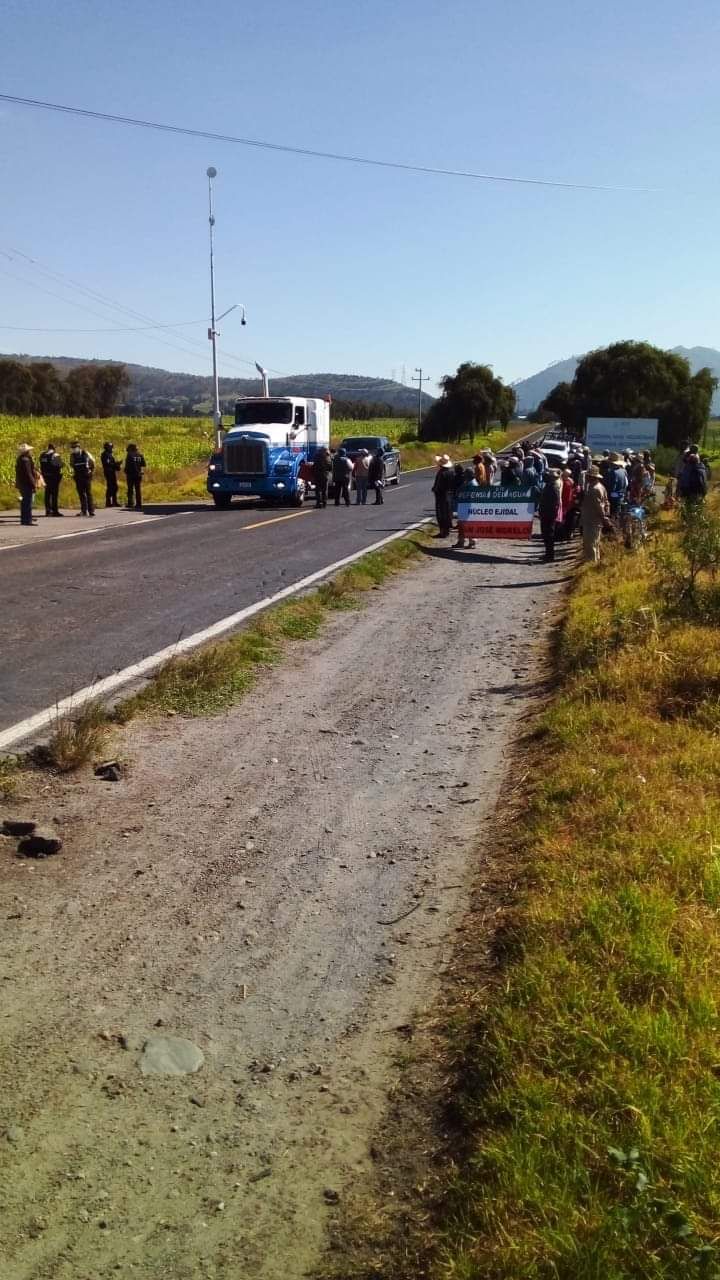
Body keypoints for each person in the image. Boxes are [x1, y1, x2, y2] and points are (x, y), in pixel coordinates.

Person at [580, 467, 609, 563]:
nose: (587, 477)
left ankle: (591, 564)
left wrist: (604, 517)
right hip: (593, 520)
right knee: (595, 543)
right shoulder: (600, 486)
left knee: (590, 544)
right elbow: (606, 502)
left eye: (588, 476)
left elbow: (599, 506)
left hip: (592, 520)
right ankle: (595, 563)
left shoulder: (595, 489)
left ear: (593, 477)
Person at [538, 470, 562, 561]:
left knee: (549, 535)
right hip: (546, 513)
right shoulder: (549, 485)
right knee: (546, 535)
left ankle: (550, 555)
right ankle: (548, 554)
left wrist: (550, 514)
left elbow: (555, 503)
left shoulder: (554, 487)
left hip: (549, 514)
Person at [69, 440, 95, 517]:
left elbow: (93, 462)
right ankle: (84, 511)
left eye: (75, 447)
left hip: (86, 476)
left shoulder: (86, 453)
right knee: (81, 494)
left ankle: (91, 510)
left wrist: (91, 472)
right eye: (72, 447)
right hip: (78, 476)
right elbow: (72, 465)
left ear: (79, 447)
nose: (73, 449)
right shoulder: (72, 456)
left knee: (88, 493)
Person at [15, 443, 38, 527]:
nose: (31, 451)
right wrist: (33, 484)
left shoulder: (20, 459)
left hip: (22, 483)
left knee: (24, 502)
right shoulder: (26, 460)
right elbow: (29, 474)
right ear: (27, 451)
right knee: (27, 502)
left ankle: (24, 519)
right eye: (30, 450)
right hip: (26, 484)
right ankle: (28, 520)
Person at [39, 441, 64, 517]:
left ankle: (48, 511)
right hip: (54, 477)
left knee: (47, 494)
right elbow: (59, 464)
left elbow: (41, 465)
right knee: (54, 495)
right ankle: (55, 511)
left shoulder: (42, 455)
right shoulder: (55, 455)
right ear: (54, 448)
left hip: (45, 477)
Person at [432, 454, 455, 536]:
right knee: (448, 513)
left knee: (441, 514)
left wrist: (434, 489)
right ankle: (447, 530)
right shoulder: (451, 473)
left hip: (441, 496)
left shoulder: (441, 473)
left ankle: (443, 531)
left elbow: (439, 486)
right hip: (449, 495)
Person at [605, 452, 628, 518]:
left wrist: (608, 496)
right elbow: (626, 484)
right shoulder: (623, 471)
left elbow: (612, 487)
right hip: (621, 495)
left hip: (613, 496)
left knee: (612, 514)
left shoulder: (612, 472)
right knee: (618, 513)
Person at [124, 443, 146, 511]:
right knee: (138, 489)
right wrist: (140, 471)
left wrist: (125, 471)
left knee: (130, 489)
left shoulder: (129, 455)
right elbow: (143, 464)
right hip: (138, 474)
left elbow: (128, 465)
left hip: (131, 474)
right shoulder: (140, 455)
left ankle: (130, 503)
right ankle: (139, 503)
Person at [101, 441, 121, 507]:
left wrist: (117, 465)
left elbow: (111, 463)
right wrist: (116, 464)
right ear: (107, 447)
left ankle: (114, 502)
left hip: (112, 472)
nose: (112, 448)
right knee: (110, 487)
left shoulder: (110, 454)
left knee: (115, 487)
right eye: (110, 447)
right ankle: (108, 502)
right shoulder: (105, 454)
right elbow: (107, 464)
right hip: (108, 472)